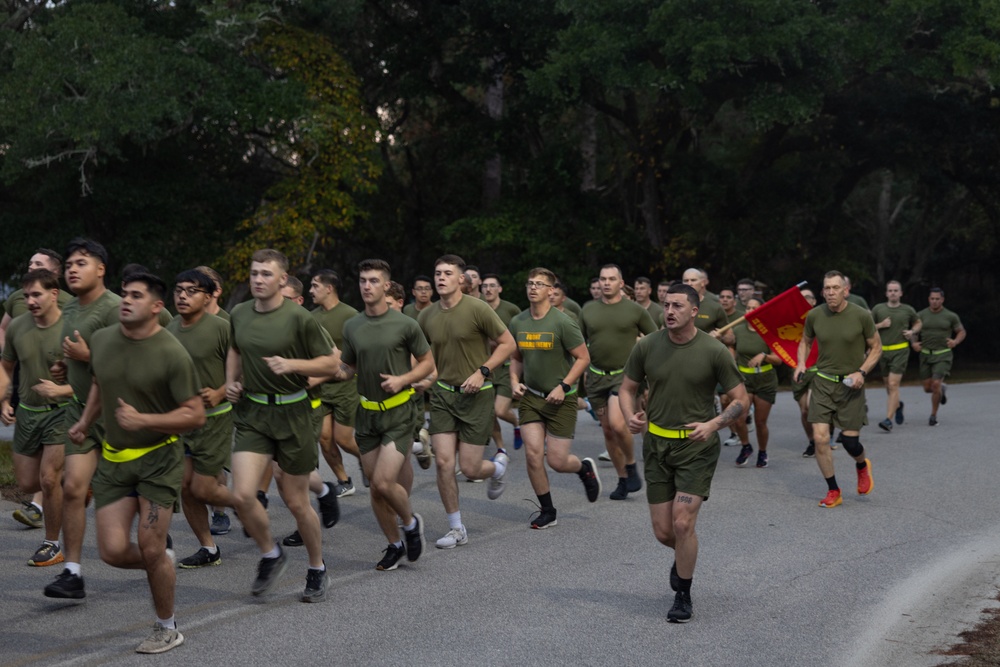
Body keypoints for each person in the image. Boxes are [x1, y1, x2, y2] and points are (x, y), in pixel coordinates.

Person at [267, 259, 436, 571]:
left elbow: (428, 363)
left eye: (373, 281)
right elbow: (348, 367)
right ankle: (393, 544)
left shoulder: (405, 325)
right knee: (375, 486)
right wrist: (318, 374)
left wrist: (403, 379)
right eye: (362, 281)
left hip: (398, 412)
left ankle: (411, 524)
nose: (367, 286)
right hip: (367, 415)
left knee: (385, 482)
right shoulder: (353, 326)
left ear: (387, 286)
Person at [68, 271, 205, 653]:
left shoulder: (172, 353)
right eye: (124, 294)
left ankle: (167, 627)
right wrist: (84, 422)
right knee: (112, 551)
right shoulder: (103, 340)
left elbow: (195, 415)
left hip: (159, 460)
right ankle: (163, 563)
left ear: (156, 307)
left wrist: (145, 421)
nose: (126, 301)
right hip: (114, 459)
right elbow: (100, 382)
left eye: (136, 296)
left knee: (148, 544)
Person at [619, 283, 749, 623]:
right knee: (664, 531)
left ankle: (683, 593)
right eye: (666, 305)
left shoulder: (713, 350)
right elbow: (627, 388)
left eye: (677, 305)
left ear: (695, 310)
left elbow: (740, 398)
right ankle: (683, 556)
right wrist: (629, 415)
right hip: (657, 445)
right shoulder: (647, 346)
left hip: (696, 446)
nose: (669, 311)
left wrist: (715, 424)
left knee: (681, 522)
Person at [226, 249, 333, 601]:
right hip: (254, 413)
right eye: (254, 273)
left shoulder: (299, 318)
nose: (258, 279)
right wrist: (232, 381)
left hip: (294, 414)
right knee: (242, 494)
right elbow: (236, 350)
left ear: (282, 279)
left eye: (266, 274)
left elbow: (331, 365)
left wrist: (294, 366)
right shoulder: (240, 313)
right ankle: (271, 554)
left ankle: (316, 567)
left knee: (295, 501)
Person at [417, 254, 516, 549]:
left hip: (477, 395)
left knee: (471, 469)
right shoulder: (426, 316)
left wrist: (483, 371)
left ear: (462, 279)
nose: (441, 278)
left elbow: (509, 343)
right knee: (444, 463)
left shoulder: (478, 309)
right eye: (437, 273)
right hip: (444, 395)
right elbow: (421, 355)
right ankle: (456, 527)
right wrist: (419, 376)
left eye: (447, 273)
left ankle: (497, 469)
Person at [44, 238, 122, 601]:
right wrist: (66, 366)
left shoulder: (115, 308)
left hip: (120, 414)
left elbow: (125, 366)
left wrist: (86, 355)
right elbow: (77, 357)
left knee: (126, 491)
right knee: (73, 488)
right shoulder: (70, 309)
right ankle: (72, 572)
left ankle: (156, 542)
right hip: (79, 411)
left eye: (81, 263)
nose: (72, 269)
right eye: (70, 263)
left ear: (101, 269)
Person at [509, 268, 599, 529]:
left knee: (557, 461)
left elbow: (583, 358)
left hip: (562, 399)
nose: (533, 288)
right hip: (531, 398)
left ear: (551, 290)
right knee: (533, 455)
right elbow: (516, 358)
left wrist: (563, 386)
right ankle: (548, 511)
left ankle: (583, 469)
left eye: (539, 284)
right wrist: (515, 382)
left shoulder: (563, 322)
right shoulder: (518, 322)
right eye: (530, 283)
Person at [166, 270, 238, 569]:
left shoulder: (223, 328)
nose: (182, 296)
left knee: (203, 488)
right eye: (179, 290)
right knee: (185, 486)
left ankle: (248, 506)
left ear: (208, 296)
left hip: (216, 419)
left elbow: (245, 369)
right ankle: (208, 548)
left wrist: (222, 391)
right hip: (182, 421)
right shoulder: (168, 330)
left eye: (192, 291)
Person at [0, 269, 70, 566]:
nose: (30, 301)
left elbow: (96, 376)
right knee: (29, 482)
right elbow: (5, 366)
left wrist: (61, 389)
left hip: (61, 412)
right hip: (28, 413)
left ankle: (52, 544)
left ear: (54, 294)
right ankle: (78, 477)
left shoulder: (72, 326)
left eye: (36, 294)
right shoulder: (17, 328)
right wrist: (4, 399)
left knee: (48, 480)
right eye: (26, 295)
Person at [795, 271, 881, 508]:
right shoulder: (814, 315)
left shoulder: (861, 315)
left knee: (850, 443)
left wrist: (861, 372)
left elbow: (876, 348)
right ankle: (834, 490)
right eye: (827, 288)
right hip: (822, 382)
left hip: (851, 385)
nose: (830, 293)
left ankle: (862, 464)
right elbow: (805, 341)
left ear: (845, 290)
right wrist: (801, 362)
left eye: (835, 288)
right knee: (821, 439)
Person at [580, 264, 657, 499]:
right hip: (595, 376)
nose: (606, 283)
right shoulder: (588, 309)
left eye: (611, 279)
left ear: (621, 283)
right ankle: (623, 479)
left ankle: (632, 464)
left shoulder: (634, 310)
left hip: (624, 376)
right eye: (603, 279)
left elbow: (655, 339)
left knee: (616, 422)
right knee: (608, 432)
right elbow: (580, 342)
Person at [308, 269, 363, 497]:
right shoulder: (310, 317)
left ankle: (369, 461)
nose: (310, 290)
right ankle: (344, 481)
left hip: (345, 387)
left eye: (315, 286)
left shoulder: (351, 315)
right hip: (321, 389)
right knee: (324, 438)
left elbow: (360, 353)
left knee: (344, 439)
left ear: (329, 288)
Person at [730, 298, 782, 468]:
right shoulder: (737, 330)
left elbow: (779, 360)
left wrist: (764, 356)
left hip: (765, 381)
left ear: (761, 311)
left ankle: (762, 451)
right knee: (738, 418)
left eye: (755, 308)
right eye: (748, 308)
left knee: (760, 422)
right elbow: (729, 348)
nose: (750, 310)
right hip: (744, 380)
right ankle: (746, 446)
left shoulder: (768, 331)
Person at [871, 281, 921, 431]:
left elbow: (918, 322)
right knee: (888, 386)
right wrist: (881, 325)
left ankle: (888, 420)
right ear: (886, 293)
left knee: (893, 385)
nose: (893, 293)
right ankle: (898, 405)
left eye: (896, 290)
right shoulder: (878, 309)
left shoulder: (908, 310)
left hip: (900, 351)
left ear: (901, 293)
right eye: (890, 290)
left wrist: (912, 331)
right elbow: (867, 326)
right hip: (882, 352)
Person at [481, 273, 523, 452]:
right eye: (485, 286)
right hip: (486, 368)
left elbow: (520, 335)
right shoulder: (478, 308)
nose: (488, 289)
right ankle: (501, 449)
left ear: (500, 289)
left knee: (499, 411)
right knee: (488, 413)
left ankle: (516, 423)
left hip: (506, 367)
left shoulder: (511, 309)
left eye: (492, 285)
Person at [912, 288, 965, 426]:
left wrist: (955, 341)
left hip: (943, 354)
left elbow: (961, 331)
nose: (934, 301)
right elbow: (913, 332)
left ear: (942, 300)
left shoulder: (950, 316)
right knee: (927, 388)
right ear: (929, 299)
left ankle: (933, 416)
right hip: (925, 355)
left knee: (935, 384)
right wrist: (914, 343)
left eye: (937, 299)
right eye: (932, 299)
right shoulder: (921, 315)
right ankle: (942, 389)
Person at [793, 288, 819, 457]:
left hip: (820, 369)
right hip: (799, 368)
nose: (804, 301)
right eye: (800, 298)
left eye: (808, 298)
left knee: (812, 406)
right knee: (804, 410)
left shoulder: (822, 317)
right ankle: (812, 441)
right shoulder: (791, 318)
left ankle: (822, 436)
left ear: (814, 301)